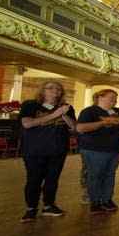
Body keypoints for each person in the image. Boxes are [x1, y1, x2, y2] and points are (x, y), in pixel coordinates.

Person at [19, 81, 76, 222]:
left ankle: (49, 206)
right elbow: (27, 124)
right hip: (34, 150)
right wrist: (55, 114)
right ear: (42, 90)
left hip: (58, 150)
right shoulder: (30, 105)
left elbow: (75, 128)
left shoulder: (66, 108)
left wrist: (64, 115)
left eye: (58, 89)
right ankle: (31, 209)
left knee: (52, 180)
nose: (55, 91)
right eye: (51, 88)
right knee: (34, 180)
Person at [77, 89, 119, 213]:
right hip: (95, 149)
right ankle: (95, 202)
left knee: (110, 175)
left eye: (116, 98)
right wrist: (103, 122)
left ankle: (107, 199)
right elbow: (81, 128)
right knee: (95, 175)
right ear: (100, 97)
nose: (115, 100)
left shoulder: (118, 111)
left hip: (114, 149)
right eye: (112, 97)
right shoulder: (89, 111)